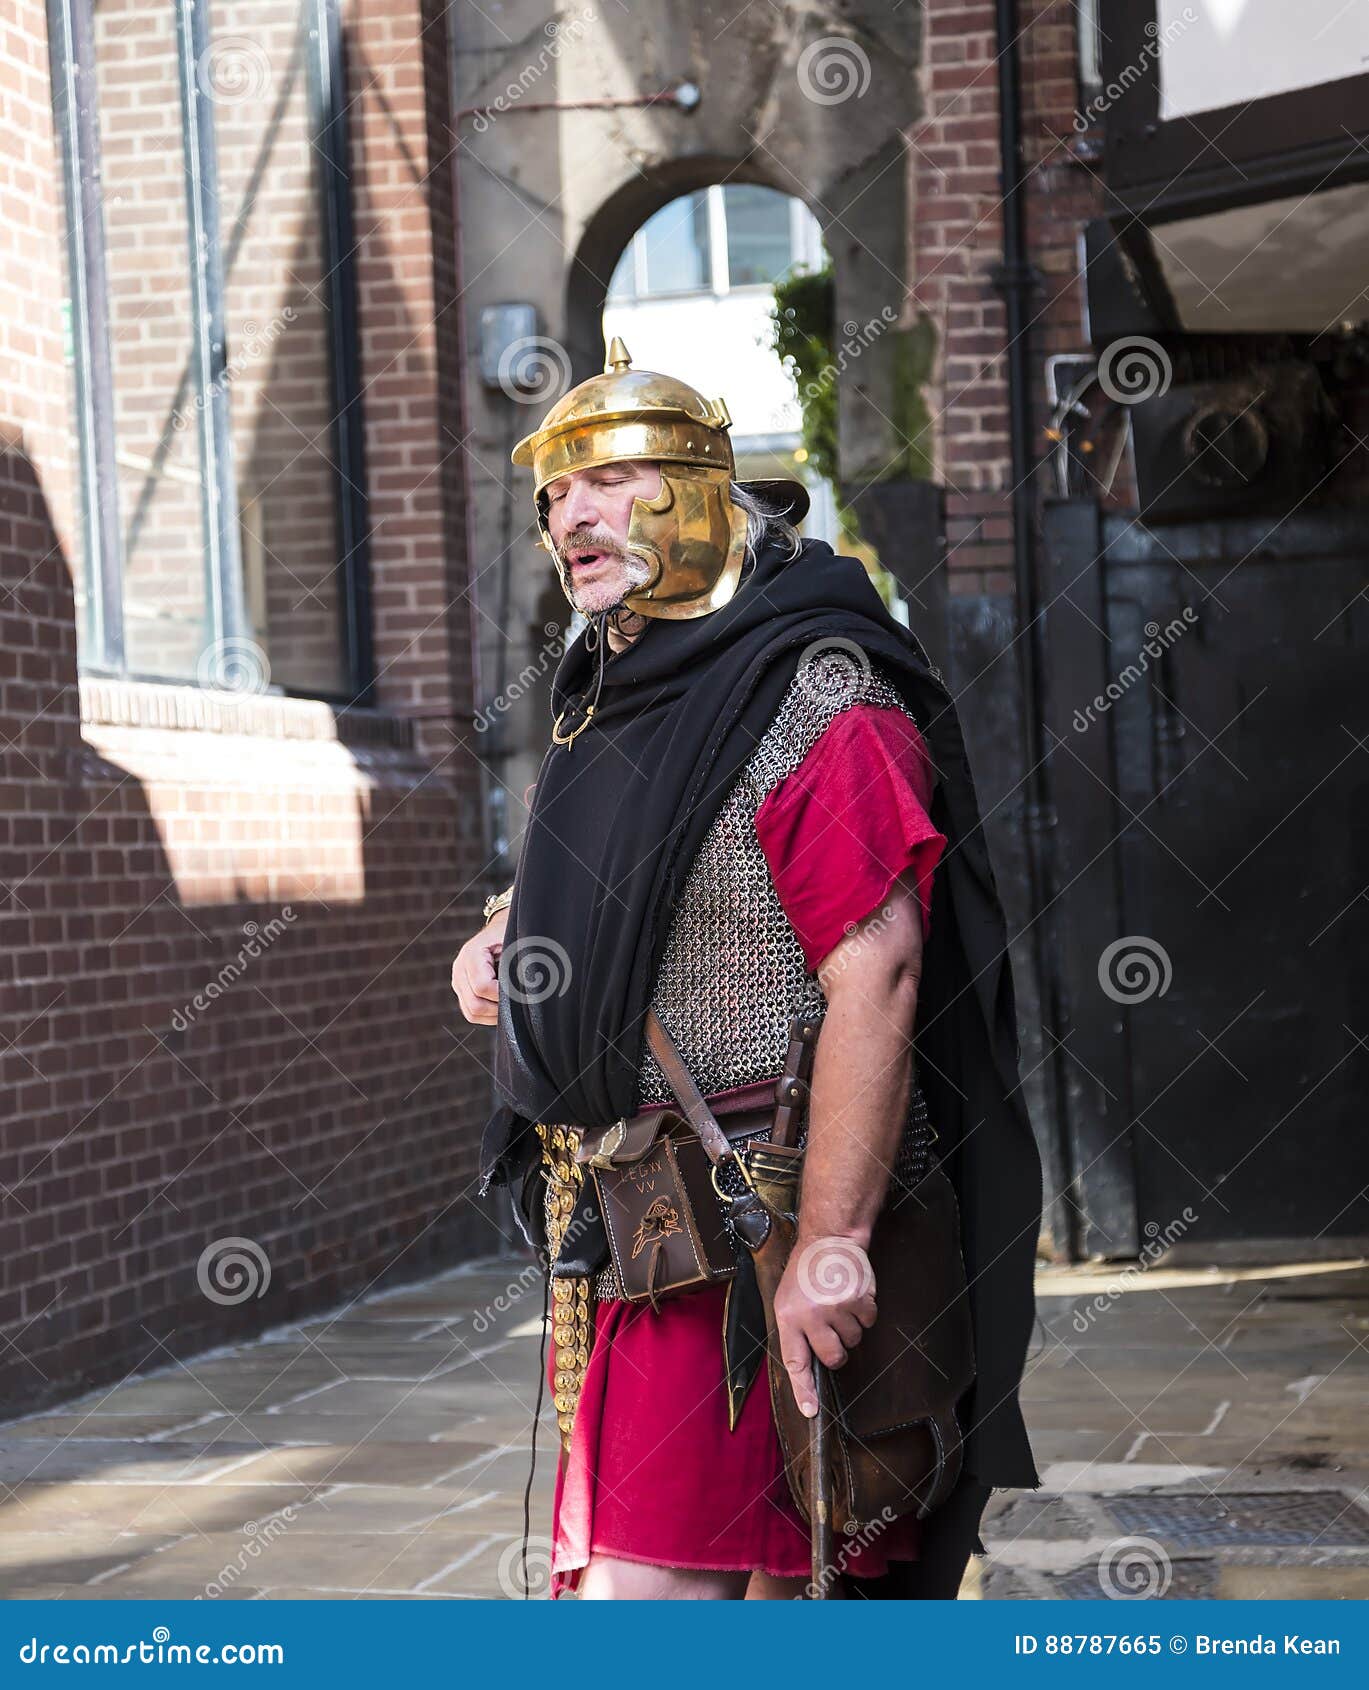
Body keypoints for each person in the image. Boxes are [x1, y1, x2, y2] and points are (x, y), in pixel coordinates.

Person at [453, 339, 1041, 1599]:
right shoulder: (617, 687)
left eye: (610, 479)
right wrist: (510, 936)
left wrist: (832, 1238)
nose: (572, 516)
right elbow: (630, 883)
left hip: (752, 1223)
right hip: (627, 1229)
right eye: (554, 494)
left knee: (660, 1602)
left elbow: (876, 969)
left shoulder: (815, 691)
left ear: (705, 488)